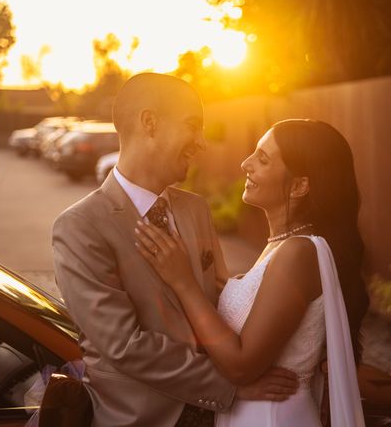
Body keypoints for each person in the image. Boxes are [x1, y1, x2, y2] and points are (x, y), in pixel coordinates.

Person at [52, 73, 298, 427]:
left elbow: (222, 301)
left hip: (220, 416)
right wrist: (230, 384)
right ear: (149, 123)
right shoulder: (79, 227)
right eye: (192, 126)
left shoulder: (194, 209)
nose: (201, 142)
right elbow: (124, 345)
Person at [135, 119, 369, 426]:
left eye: (263, 159)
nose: (246, 164)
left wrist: (183, 282)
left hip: (273, 416)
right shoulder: (280, 247)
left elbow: (242, 367)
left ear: (299, 185)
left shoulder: (299, 253)